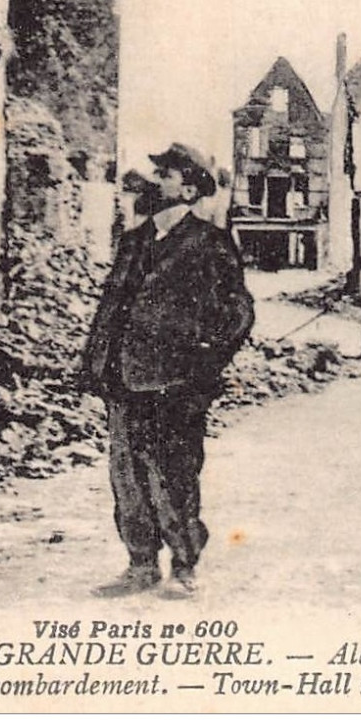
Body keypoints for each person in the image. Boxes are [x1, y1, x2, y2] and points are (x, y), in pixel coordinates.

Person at [80, 143, 255, 599]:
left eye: (168, 174)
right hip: (124, 380)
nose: (157, 181)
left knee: (174, 473)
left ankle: (183, 565)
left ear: (190, 187)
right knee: (127, 475)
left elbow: (237, 313)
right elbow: (110, 308)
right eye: (158, 173)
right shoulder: (134, 241)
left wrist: (203, 364)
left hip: (176, 385)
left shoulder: (210, 243)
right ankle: (140, 564)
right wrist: (96, 365)